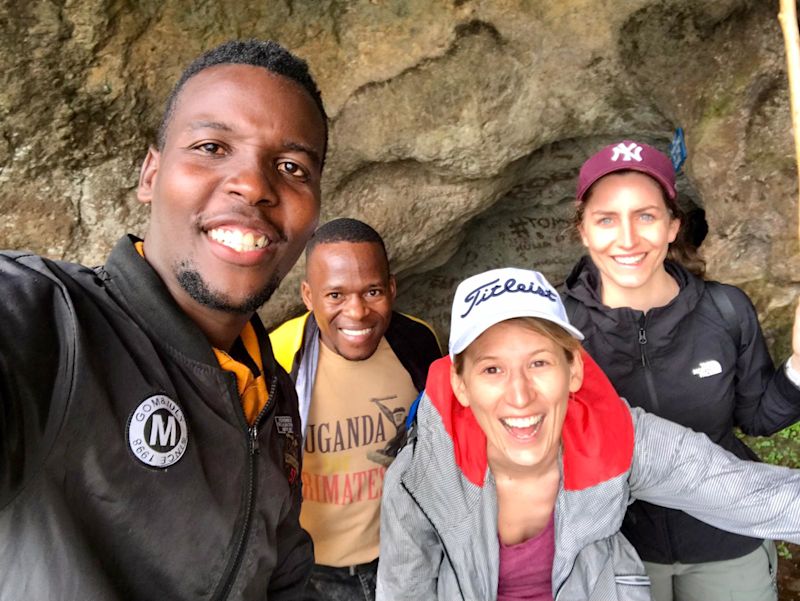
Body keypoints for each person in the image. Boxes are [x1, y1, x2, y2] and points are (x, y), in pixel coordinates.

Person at [0, 39, 328, 600]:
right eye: (211, 146)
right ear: (150, 174)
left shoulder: (274, 392)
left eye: (292, 166)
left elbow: (283, 570)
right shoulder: (56, 327)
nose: (252, 185)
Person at [376, 267, 800, 601]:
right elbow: (403, 589)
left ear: (574, 370)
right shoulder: (424, 475)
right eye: (492, 369)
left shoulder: (612, 437)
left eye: (539, 362)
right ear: (461, 386)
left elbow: (748, 493)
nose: (520, 395)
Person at [563, 139, 800, 601]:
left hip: (726, 537)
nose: (627, 239)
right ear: (583, 231)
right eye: (607, 219)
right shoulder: (557, 326)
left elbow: (755, 418)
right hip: (617, 547)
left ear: (673, 226)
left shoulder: (724, 309)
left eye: (646, 216)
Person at [269, 217, 441, 601]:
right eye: (335, 296)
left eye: (373, 291)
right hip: (312, 573)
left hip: (406, 557)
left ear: (392, 289)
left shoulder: (416, 343)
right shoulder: (276, 359)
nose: (358, 312)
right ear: (308, 296)